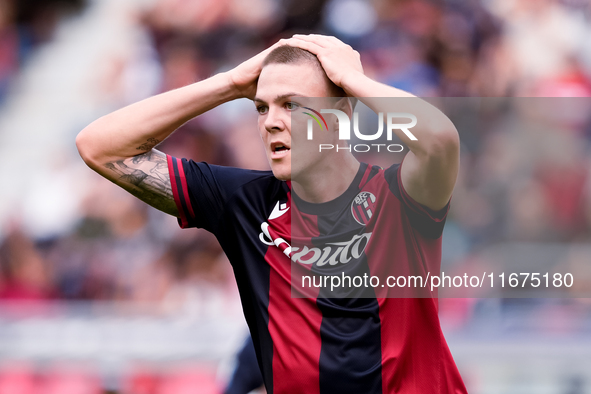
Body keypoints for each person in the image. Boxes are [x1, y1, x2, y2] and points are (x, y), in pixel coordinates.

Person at [76, 34, 466, 393]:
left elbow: (440, 140)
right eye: (262, 107)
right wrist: (230, 84)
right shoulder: (244, 203)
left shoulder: (400, 197)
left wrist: (351, 79)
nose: (271, 122)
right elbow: (100, 147)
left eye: (292, 105)